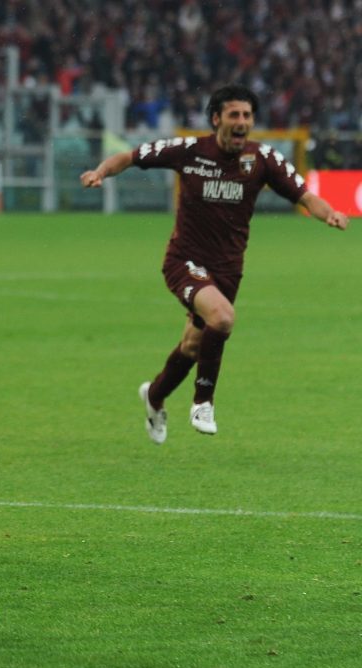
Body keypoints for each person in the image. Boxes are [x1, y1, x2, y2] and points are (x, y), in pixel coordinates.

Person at [80, 84, 349, 443]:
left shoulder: (263, 159)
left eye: (247, 116)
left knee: (193, 345)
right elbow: (129, 157)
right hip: (184, 261)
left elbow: (305, 195)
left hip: (227, 271)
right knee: (222, 318)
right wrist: (100, 171)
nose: (242, 122)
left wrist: (329, 213)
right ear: (216, 119)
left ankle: (154, 397)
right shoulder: (189, 151)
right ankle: (202, 402)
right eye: (234, 115)